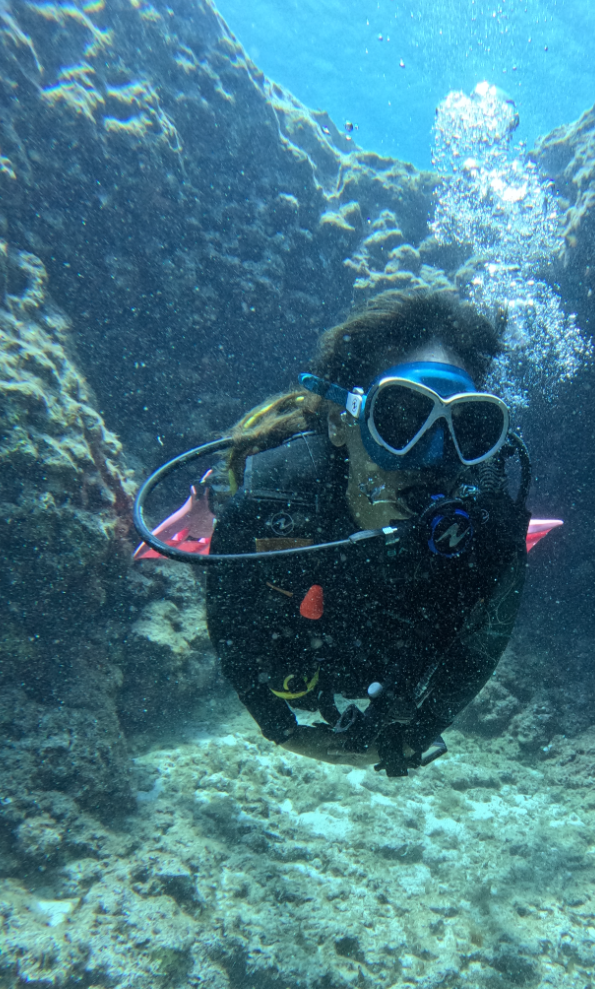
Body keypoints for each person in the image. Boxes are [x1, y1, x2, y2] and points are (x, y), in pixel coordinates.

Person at [203, 288, 532, 777]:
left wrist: (415, 733)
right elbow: (229, 616)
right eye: (401, 417)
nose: (435, 455)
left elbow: (479, 650)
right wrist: (280, 726)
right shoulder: (274, 504)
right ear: (342, 421)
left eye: (467, 427)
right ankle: (202, 494)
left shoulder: (486, 534)